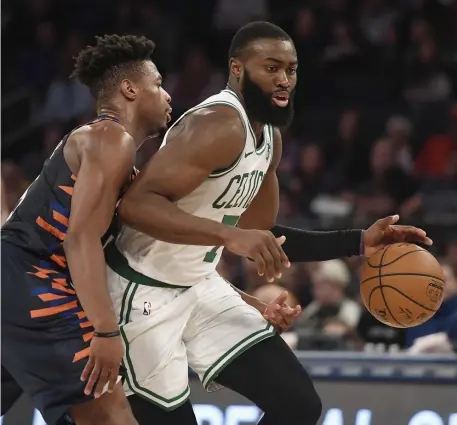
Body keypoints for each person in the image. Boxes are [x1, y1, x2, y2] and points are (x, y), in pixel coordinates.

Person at [105, 22, 432, 425]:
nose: (284, 80)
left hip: (197, 286)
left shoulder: (270, 140)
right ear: (238, 69)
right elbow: (135, 207)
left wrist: (361, 241)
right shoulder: (217, 124)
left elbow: (266, 237)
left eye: (291, 70)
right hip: (140, 292)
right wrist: (229, 235)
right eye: (271, 68)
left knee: (298, 406)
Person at [1, 34, 171, 425]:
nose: (167, 95)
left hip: (11, 284)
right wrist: (106, 331)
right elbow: (79, 239)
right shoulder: (111, 137)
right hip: (32, 282)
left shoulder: (114, 159)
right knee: (111, 416)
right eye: (158, 84)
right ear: (129, 89)